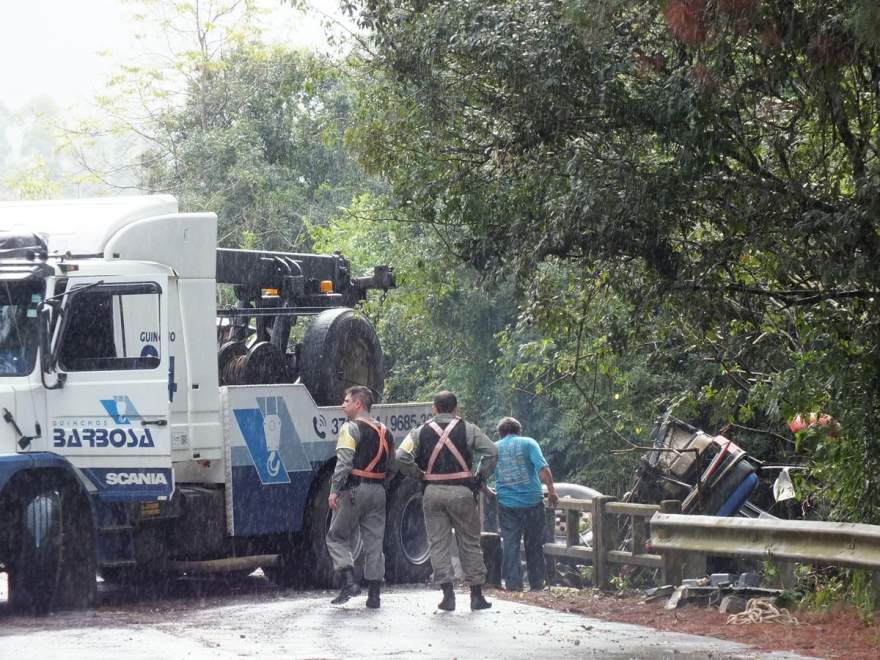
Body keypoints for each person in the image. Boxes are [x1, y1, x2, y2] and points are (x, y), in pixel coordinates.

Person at [396, 390, 498, 611]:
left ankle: (447, 595)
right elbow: (491, 451)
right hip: (461, 492)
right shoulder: (469, 429)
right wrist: (480, 476)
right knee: (469, 543)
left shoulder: (420, 431)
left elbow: (400, 456)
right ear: (456, 408)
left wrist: (418, 474)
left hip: (432, 492)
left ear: (434, 408)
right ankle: (476, 596)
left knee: (438, 543)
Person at [325, 385, 394, 608]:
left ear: (358, 404)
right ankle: (374, 595)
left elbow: (344, 462)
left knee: (336, 537)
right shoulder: (386, 431)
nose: (342, 405)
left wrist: (334, 490)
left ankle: (348, 582)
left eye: (346, 401)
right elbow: (393, 464)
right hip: (378, 491)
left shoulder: (350, 428)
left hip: (354, 490)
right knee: (374, 543)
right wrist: (381, 483)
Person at [493, 416, 559, 592]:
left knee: (510, 543)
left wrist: (490, 493)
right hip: (532, 502)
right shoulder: (529, 443)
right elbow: (543, 469)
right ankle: (537, 583)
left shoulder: (494, 448)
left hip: (507, 505)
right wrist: (552, 492)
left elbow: (479, 476)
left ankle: (513, 584)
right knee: (534, 543)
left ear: (500, 433)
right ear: (519, 431)